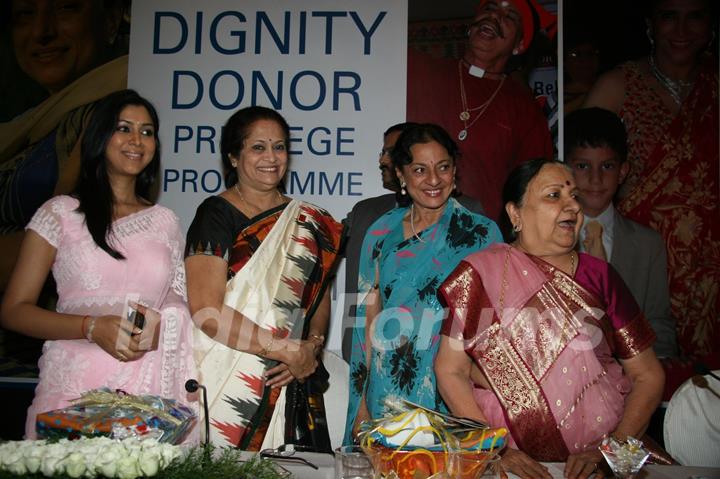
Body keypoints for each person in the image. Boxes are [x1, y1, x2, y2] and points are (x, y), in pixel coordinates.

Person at [435, 158, 665, 479]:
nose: (571, 205)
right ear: (516, 214)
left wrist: (610, 452)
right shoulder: (481, 274)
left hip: (597, 460)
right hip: (508, 458)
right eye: (554, 195)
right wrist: (494, 450)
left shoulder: (599, 276)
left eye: (574, 196)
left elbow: (648, 375)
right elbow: (450, 369)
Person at [0, 89, 196, 439]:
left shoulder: (166, 221)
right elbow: (14, 310)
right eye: (124, 128)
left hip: (146, 406)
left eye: (147, 131)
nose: (137, 140)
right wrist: (92, 326)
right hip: (70, 398)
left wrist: (164, 323)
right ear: (100, 137)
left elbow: (177, 302)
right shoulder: (59, 213)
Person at [185, 106, 342, 449]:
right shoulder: (215, 216)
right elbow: (206, 311)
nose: (271, 157)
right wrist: (285, 349)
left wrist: (309, 350)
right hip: (225, 372)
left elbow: (318, 299)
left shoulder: (311, 222)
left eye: (280, 146)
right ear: (233, 156)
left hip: (290, 376)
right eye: (258, 147)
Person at [343, 123, 502, 445]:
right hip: (387, 395)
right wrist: (361, 406)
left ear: (455, 171)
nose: (433, 180)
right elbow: (366, 323)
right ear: (401, 175)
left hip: (453, 393)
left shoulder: (482, 234)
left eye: (443, 167)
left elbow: (493, 329)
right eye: (419, 169)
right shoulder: (380, 232)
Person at [583, 0, 718, 356]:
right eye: (669, 17)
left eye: (695, 16)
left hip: (710, 267)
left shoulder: (715, 85)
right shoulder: (619, 84)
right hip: (633, 257)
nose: (682, 30)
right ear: (651, 25)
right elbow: (584, 154)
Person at [0, 0, 127, 290]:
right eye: (25, 13)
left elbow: (64, 244)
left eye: (66, 8)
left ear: (110, 20)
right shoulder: (26, 122)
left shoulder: (115, 112)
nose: (42, 31)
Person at [341, 122, 485, 360]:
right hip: (377, 361)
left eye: (391, 152)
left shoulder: (473, 220)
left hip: (449, 363)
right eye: (384, 152)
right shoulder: (367, 215)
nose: (383, 160)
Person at [407, 0, 555, 221]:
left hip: (480, 236)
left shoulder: (524, 109)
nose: (494, 17)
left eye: (509, 17)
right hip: (412, 227)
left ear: (520, 45)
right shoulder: (422, 70)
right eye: (489, 8)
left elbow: (534, 189)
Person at [565, 107, 677, 358]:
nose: (595, 179)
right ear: (565, 169)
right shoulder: (545, 240)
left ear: (623, 171)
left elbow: (660, 327)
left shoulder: (648, 244)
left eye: (607, 166)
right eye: (583, 166)